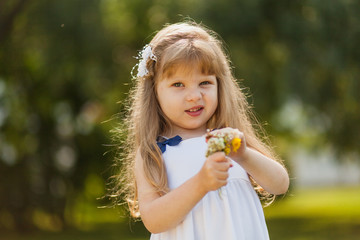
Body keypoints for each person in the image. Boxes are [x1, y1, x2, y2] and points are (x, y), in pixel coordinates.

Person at [112, 21, 289, 240]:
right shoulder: (155, 151)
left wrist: (243, 155)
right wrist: (201, 184)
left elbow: (280, 184)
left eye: (204, 82)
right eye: (178, 84)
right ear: (155, 92)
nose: (194, 95)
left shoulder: (228, 138)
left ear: (219, 85)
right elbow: (154, 221)